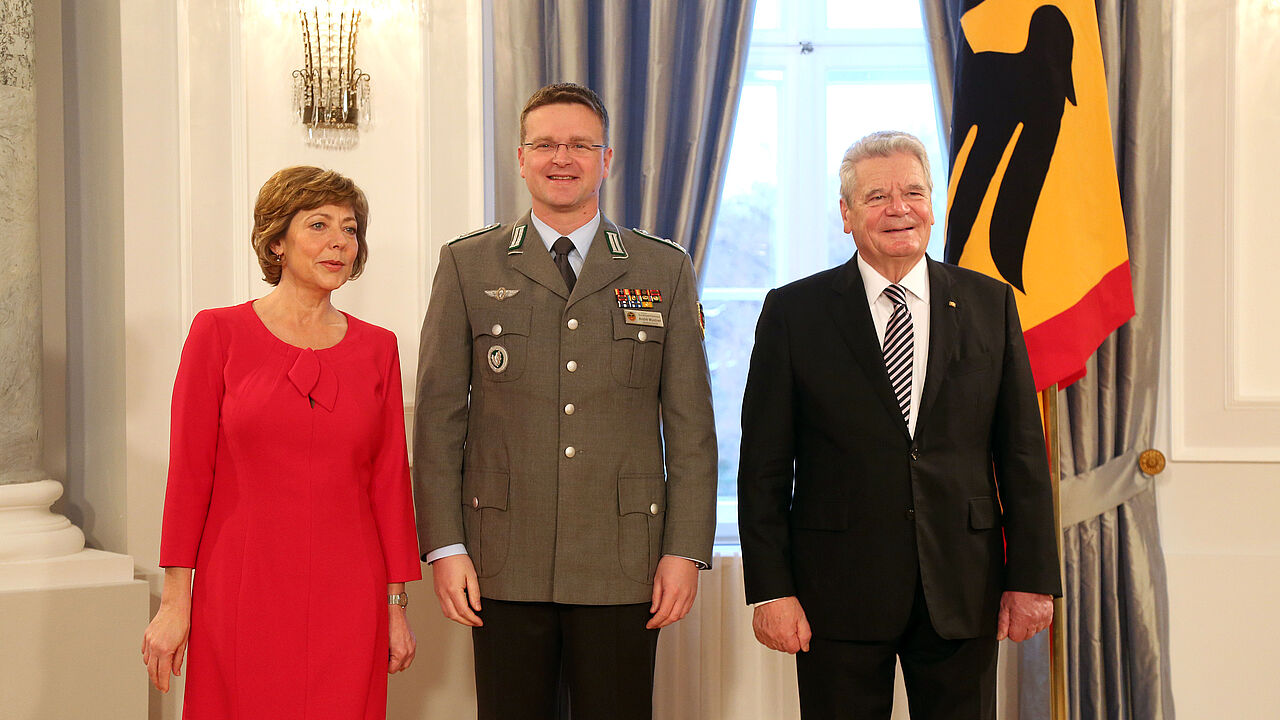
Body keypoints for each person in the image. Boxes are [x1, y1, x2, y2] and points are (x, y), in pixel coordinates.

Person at [413, 82, 717, 720]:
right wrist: (445, 546)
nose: (562, 158)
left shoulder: (661, 269)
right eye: (546, 144)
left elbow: (691, 429)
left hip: (623, 556)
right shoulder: (470, 264)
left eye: (580, 145)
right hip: (501, 553)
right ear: (520, 159)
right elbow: (439, 420)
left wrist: (684, 549)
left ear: (605, 161)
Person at [738, 131, 1062, 719]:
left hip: (963, 588)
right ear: (846, 214)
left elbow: (1021, 453)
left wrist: (1033, 576)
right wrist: (770, 589)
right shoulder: (794, 312)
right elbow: (762, 466)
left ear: (931, 205)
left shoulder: (991, 304)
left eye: (913, 191)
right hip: (835, 592)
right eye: (877, 195)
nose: (899, 208)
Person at [141, 166, 422, 719]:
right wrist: (177, 601)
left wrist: (394, 606)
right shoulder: (216, 333)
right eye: (318, 225)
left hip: (351, 591)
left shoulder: (378, 347)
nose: (339, 241)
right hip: (242, 586)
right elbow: (189, 476)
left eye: (350, 229)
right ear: (277, 241)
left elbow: (390, 483)